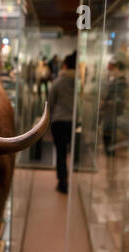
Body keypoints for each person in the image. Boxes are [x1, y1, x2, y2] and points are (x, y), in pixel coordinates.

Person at [48, 51, 76, 194]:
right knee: (70, 153)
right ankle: (67, 179)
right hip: (73, 122)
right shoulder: (78, 82)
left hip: (58, 121)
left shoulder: (59, 81)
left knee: (61, 152)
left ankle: (62, 182)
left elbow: (50, 101)